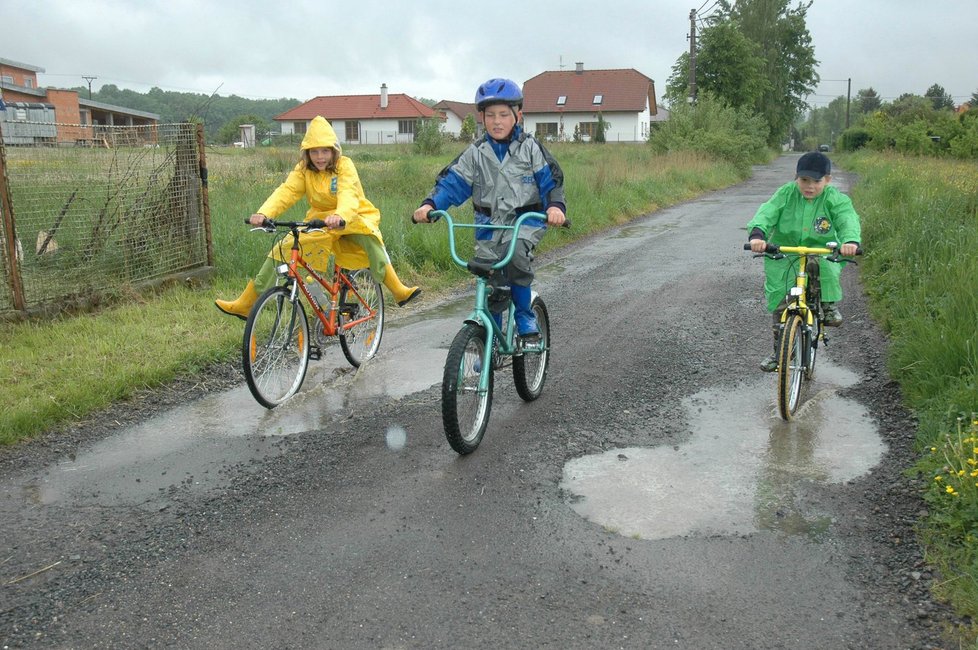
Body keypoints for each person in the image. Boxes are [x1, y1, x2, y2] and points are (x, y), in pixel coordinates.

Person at [215, 116, 420, 319]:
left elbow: (348, 193)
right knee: (282, 249)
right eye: (314, 151)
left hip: (352, 216)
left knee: (370, 238)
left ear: (333, 151)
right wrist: (263, 213)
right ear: (307, 152)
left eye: (324, 151)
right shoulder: (304, 170)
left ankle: (398, 289)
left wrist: (340, 215)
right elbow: (287, 192)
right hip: (319, 221)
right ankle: (246, 303)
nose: (320, 157)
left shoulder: (344, 165)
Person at [412, 77, 566, 339]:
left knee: (515, 254)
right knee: (489, 273)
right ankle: (490, 339)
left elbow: (551, 180)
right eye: (490, 115)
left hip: (524, 223)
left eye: (504, 115)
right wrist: (429, 205)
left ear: (518, 115)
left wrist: (555, 207)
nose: (497, 121)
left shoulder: (530, 148)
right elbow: (452, 183)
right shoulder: (476, 152)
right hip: (487, 226)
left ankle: (524, 314)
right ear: (481, 118)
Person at [747, 151, 861, 372]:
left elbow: (847, 218)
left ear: (827, 180)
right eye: (804, 180)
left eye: (816, 181)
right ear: (796, 178)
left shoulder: (834, 199)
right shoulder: (786, 194)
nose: (809, 186)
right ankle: (780, 352)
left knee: (824, 266)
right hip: (785, 251)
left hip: (821, 250)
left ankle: (827, 305)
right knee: (782, 302)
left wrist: (850, 241)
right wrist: (758, 235)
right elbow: (767, 212)